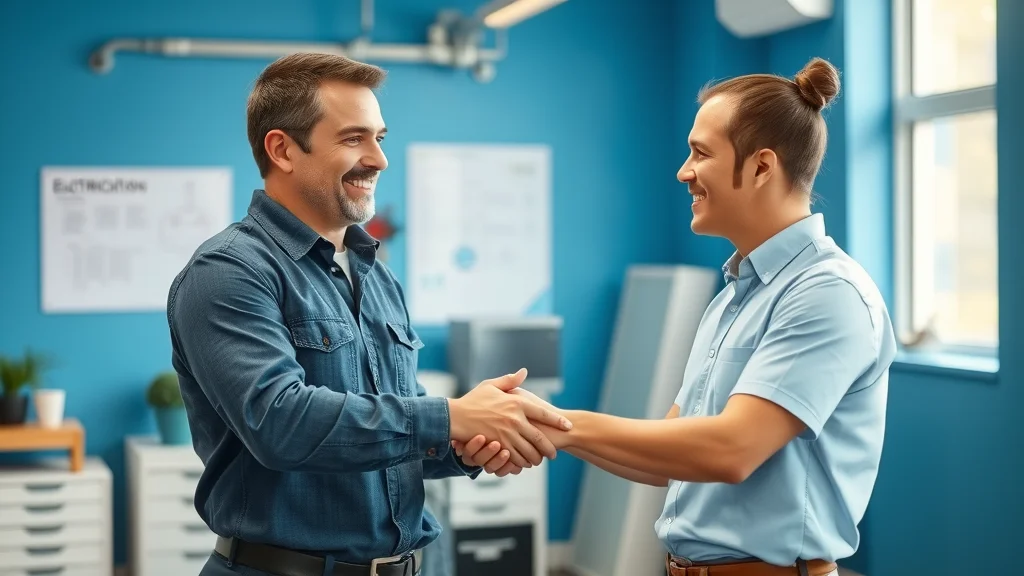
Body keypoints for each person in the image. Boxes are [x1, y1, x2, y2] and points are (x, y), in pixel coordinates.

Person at [457, 57, 896, 576]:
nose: (683, 172)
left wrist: (562, 427)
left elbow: (731, 449)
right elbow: (672, 455)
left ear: (762, 167)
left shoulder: (827, 293)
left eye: (700, 153)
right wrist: (551, 429)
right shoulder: (733, 297)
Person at [166, 52, 571, 576]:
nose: (379, 159)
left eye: (379, 138)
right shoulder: (228, 272)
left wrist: (466, 444)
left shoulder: (375, 275)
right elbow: (280, 422)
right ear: (282, 149)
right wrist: (452, 416)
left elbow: (395, 428)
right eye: (354, 138)